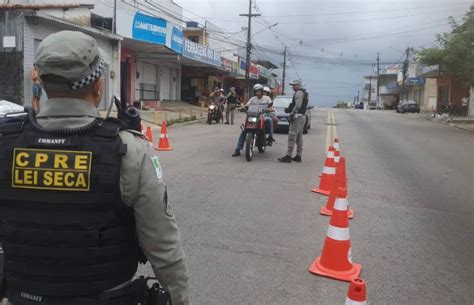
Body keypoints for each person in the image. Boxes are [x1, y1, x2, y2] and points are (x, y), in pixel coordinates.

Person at [0, 31, 190, 305]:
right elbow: (163, 246)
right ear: (98, 85)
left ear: (40, 81)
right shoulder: (130, 151)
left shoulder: (5, 143)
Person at [232, 84, 275, 157]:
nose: (258, 93)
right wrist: (241, 108)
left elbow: (271, 107)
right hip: (252, 116)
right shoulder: (252, 99)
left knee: (270, 120)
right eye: (256, 91)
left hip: (263, 116)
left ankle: (270, 137)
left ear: (262, 91)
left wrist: (269, 109)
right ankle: (238, 149)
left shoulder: (267, 98)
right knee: (244, 130)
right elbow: (246, 106)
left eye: (259, 91)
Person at [278, 80, 309, 163]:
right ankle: (298, 156)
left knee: (292, 136)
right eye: (292, 85)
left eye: (294, 85)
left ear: (298, 85)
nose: (292, 87)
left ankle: (288, 156)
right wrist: (289, 109)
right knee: (299, 137)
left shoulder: (299, 92)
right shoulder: (304, 93)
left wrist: (291, 113)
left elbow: (298, 105)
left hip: (297, 117)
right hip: (302, 117)